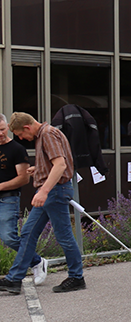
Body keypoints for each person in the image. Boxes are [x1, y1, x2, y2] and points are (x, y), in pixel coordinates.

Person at [0, 112, 78, 294]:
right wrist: (40, 169)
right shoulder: (45, 134)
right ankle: (14, 279)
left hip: (55, 191)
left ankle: (76, 276)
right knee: (28, 233)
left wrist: (43, 191)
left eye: (20, 134)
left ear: (27, 127)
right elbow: (55, 163)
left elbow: (60, 165)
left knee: (64, 236)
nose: (20, 138)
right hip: (52, 190)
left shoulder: (47, 134)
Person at [0, 115, 34, 276]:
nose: (0, 133)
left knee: (8, 237)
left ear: (7, 127)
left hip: (8, 198)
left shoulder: (17, 149)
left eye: (2, 129)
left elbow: (23, 178)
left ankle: (36, 261)